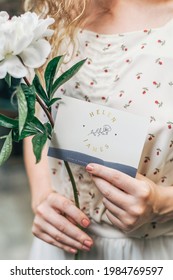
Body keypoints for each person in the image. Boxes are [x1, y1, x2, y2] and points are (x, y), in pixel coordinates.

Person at [24, 0, 173, 260]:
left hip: (152, 253)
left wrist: (161, 203)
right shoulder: (56, 8)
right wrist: (42, 195)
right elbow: (34, 116)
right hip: (60, 247)